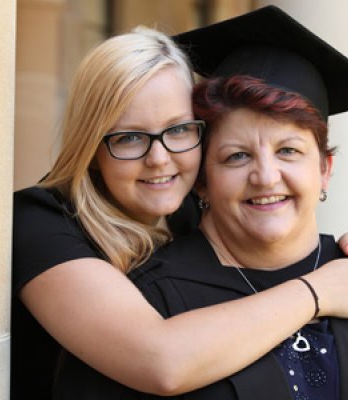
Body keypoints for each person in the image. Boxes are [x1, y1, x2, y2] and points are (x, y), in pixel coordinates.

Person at [12, 17, 348, 400]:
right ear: (91, 148)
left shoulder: (185, 211)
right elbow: (160, 360)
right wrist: (321, 288)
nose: (160, 159)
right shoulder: (41, 222)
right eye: (130, 137)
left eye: (177, 130)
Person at [130, 6, 348, 400]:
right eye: (237, 156)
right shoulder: (151, 299)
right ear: (201, 181)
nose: (265, 176)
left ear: (325, 169)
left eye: (288, 151)